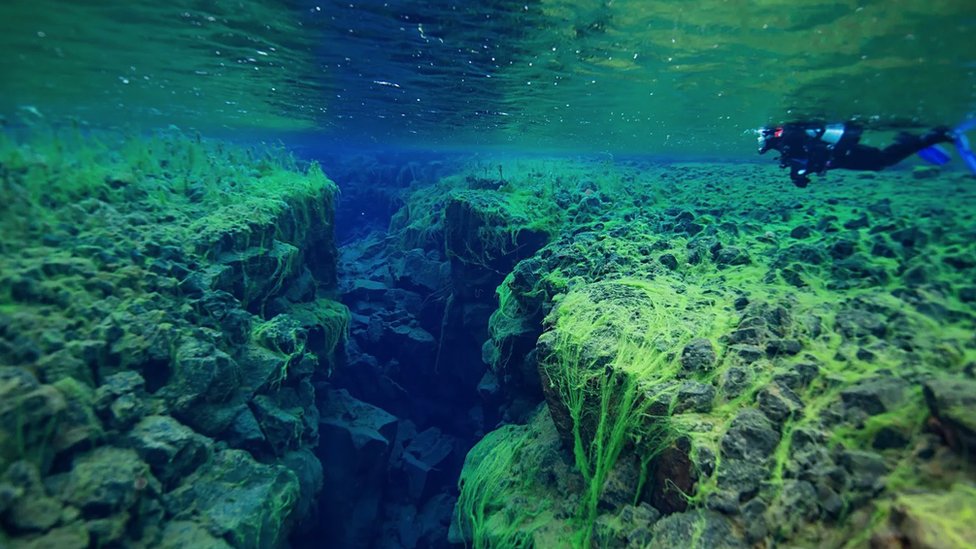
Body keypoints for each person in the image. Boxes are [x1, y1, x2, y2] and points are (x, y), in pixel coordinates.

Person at [757, 122, 956, 187]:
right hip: (841, 153)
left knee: (881, 161)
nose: (761, 141)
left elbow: (814, 153)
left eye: (761, 137)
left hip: (841, 154)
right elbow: (803, 157)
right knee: (881, 159)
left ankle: (934, 136)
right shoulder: (787, 143)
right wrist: (799, 174)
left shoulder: (788, 141)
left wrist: (806, 171)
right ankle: (910, 140)